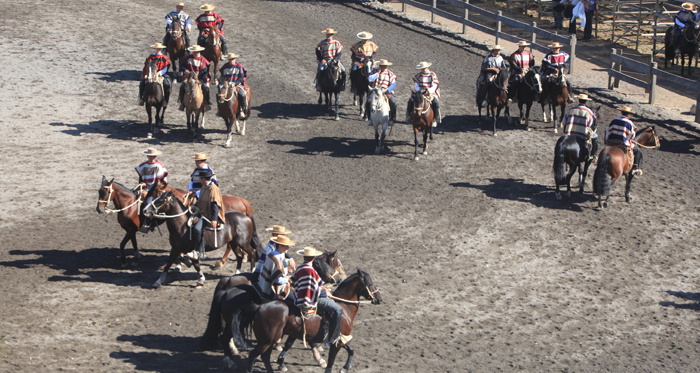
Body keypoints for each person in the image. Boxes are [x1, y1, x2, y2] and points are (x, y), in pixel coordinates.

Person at [292, 246, 350, 347]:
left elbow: (294, 282)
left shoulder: (300, 268)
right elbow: (315, 289)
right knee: (338, 309)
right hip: (311, 300)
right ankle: (335, 338)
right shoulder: (312, 271)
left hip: (299, 299)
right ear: (314, 258)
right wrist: (325, 293)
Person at [188, 169, 225, 259]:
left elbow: (215, 204)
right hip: (201, 212)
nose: (199, 180)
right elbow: (201, 199)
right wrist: (195, 206)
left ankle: (200, 251)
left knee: (197, 229)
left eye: (200, 179)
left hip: (207, 215)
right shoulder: (204, 187)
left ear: (204, 178)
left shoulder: (213, 188)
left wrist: (214, 219)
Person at [135, 148, 168, 232]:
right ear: (147, 156)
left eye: (154, 156)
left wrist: (147, 190)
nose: (152, 158)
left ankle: (149, 224)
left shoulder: (159, 166)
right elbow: (141, 177)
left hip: (155, 189)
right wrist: (142, 184)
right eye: (150, 156)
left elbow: (158, 181)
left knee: (149, 203)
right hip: (146, 188)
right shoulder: (143, 166)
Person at [605, 105, 643, 176]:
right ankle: (635, 168)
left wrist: (608, 140)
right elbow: (632, 135)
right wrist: (629, 140)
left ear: (621, 112)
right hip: (623, 143)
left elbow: (608, 130)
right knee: (637, 150)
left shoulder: (614, 120)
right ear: (628, 114)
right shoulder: (629, 123)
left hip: (612, 142)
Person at [257, 234, 295, 299]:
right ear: (280, 246)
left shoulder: (271, 254)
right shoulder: (277, 261)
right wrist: (287, 279)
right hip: (272, 288)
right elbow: (279, 281)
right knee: (296, 298)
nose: (288, 247)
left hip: (263, 283)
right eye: (286, 246)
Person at [563, 93, 598, 161]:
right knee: (596, 137)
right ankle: (592, 155)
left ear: (579, 100)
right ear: (585, 102)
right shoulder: (589, 111)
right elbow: (590, 123)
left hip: (571, 133)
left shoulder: (572, 109)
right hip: (582, 134)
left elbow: (565, 119)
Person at [178, 45, 212, 111]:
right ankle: (182, 102)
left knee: (205, 87)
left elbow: (205, 71)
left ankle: (206, 102)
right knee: (182, 86)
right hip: (188, 77)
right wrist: (185, 70)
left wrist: (198, 77)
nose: (194, 53)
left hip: (200, 78)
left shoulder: (203, 60)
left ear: (199, 52)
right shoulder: (187, 58)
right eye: (193, 52)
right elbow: (181, 66)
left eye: (196, 52)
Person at [407, 61, 441, 126]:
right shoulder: (418, 75)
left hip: (430, 92)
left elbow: (435, 85)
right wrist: (419, 91)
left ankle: (435, 119)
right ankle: (409, 116)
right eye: (422, 68)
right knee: (411, 100)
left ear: (427, 67)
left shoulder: (432, 75)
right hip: (420, 92)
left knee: (435, 102)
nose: (423, 70)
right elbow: (416, 85)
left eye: (424, 68)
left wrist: (429, 91)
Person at [367, 59, 397, 126]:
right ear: (379, 66)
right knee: (368, 101)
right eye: (382, 66)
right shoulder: (374, 72)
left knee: (393, 102)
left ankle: (392, 118)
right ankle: (369, 119)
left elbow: (394, 84)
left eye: (385, 66)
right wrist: (377, 73)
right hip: (375, 91)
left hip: (385, 91)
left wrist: (387, 90)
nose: (384, 67)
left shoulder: (390, 73)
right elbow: (370, 79)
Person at [219, 53, 248, 118]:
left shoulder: (239, 66)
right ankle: (220, 110)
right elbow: (222, 76)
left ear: (235, 59)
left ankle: (242, 110)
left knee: (242, 94)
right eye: (229, 59)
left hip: (236, 84)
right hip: (227, 85)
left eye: (232, 59)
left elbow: (242, 76)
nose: (231, 60)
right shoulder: (225, 66)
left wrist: (235, 83)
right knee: (220, 94)